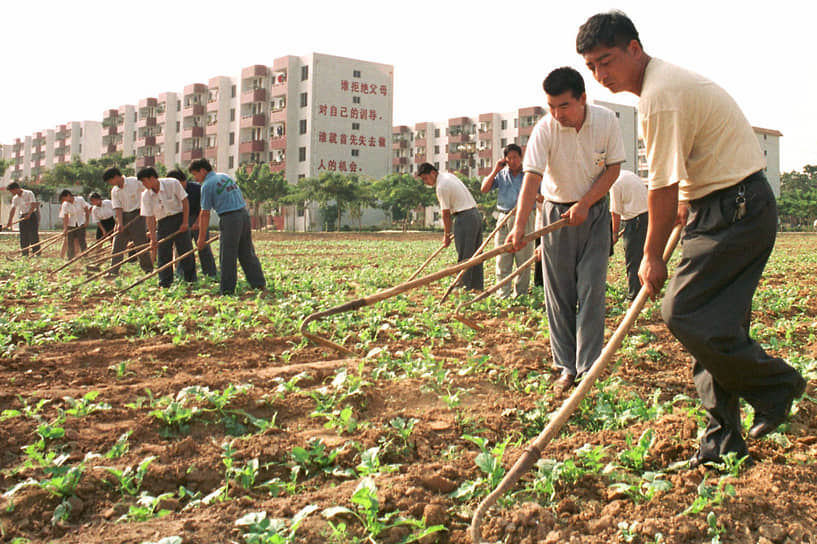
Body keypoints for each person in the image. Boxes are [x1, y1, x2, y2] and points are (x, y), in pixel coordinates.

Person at [577, 11, 807, 467]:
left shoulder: (659, 97)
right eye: (592, 68)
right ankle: (724, 443)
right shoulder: (661, 88)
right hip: (722, 205)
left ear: (634, 49)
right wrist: (688, 201)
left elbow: (659, 184)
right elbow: (685, 168)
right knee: (715, 328)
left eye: (607, 61)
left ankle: (776, 385)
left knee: (683, 311)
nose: (602, 75)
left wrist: (650, 255)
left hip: (736, 209)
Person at [507, 66, 625, 392]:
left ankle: (588, 368)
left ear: (582, 99)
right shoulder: (546, 129)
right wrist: (519, 228)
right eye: (551, 106)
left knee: (591, 290)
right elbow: (532, 178)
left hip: (595, 213)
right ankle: (566, 367)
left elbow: (613, 168)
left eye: (564, 106)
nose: (557, 114)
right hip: (556, 216)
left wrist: (586, 203)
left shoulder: (606, 121)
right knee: (558, 296)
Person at [188, 159, 266, 295]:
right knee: (246, 252)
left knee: (228, 255)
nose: (196, 178)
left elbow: (204, 214)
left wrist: (201, 239)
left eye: (195, 174)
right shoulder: (225, 176)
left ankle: (227, 290)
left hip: (229, 218)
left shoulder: (207, 185)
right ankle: (258, 284)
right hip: (243, 215)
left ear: (203, 171)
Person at [417, 162, 484, 291]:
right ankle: (476, 286)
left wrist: (446, 235)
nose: (425, 182)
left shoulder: (441, 186)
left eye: (425, 178)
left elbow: (446, 214)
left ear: (433, 173)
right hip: (475, 215)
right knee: (475, 253)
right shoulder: (448, 176)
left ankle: (463, 287)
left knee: (465, 254)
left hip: (464, 218)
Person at [481, 144, 535, 298]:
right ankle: (502, 294)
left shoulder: (529, 174)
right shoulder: (501, 174)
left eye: (515, 157)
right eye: (509, 158)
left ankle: (520, 295)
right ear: (505, 159)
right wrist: (495, 170)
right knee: (502, 256)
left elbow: (542, 196)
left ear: (521, 157)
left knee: (523, 257)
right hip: (504, 216)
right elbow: (484, 189)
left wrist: (535, 198)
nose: (512, 161)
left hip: (524, 217)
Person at [136, 167, 196, 288]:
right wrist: (153, 238)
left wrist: (185, 222)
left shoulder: (172, 183)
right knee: (164, 254)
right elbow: (150, 218)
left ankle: (191, 280)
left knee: (186, 251)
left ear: (152, 178)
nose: (143, 184)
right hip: (163, 223)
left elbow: (185, 202)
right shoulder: (146, 196)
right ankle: (165, 282)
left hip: (179, 219)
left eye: (144, 181)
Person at [167, 169, 217, 279]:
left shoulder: (197, 188)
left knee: (203, 246)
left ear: (182, 181)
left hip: (198, 218)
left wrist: (197, 222)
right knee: (183, 248)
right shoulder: (172, 191)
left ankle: (210, 273)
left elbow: (204, 208)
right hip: (183, 220)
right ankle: (182, 273)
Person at [104, 167, 153, 275]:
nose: (110, 183)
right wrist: (120, 223)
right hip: (124, 217)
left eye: (110, 180)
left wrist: (145, 207)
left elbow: (148, 191)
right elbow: (118, 208)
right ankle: (114, 270)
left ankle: (148, 269)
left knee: (140, 243)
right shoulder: (115, 191)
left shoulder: (134, 182)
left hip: (138, 215)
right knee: (118, 244)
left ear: (116, 177)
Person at [609, 170, 648, 301]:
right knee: (642, 256)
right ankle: (644, 290)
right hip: (646, 216)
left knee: (633, 259)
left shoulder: (614, 183)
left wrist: (614, 233)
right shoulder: (626, 174)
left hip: (634, 220)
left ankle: (634, 295)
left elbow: (615, 212)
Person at [5, 182, 40, 256]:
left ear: (16, 189)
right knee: (23, 236)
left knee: (33, 235)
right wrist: (9, 221)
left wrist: (29, 214)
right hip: (23, 216)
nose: (12, 193)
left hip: (32, 215)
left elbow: (33, 204)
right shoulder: (15, 198)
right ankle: (24, 253)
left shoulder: (29, 193)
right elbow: (13, 209)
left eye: (12, 191)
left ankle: (36, 252)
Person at [58, 189, 90, 260]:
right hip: (71, 224)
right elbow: (66, 216)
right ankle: (71, 257)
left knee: (82, 241)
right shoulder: (65, 204)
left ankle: (85, 256)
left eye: (64, 198)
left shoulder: (80, 199)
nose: (64, 201)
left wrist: (87, 221)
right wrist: (65, 228)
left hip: (81, 223)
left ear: (68, 195)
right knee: (70, 242)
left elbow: (86, 210)